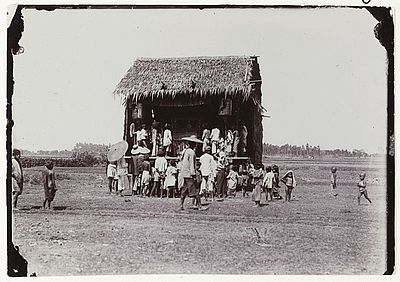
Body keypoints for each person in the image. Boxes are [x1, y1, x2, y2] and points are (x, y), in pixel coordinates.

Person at [179, 137, 207, 211]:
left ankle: (181, 205)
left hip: (185, 173)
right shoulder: (191, 152)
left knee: (184, 190)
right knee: (195, 190)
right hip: (189, 173)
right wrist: (193, 174)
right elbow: (192, 164)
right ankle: (200, 206)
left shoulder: (185, 151)